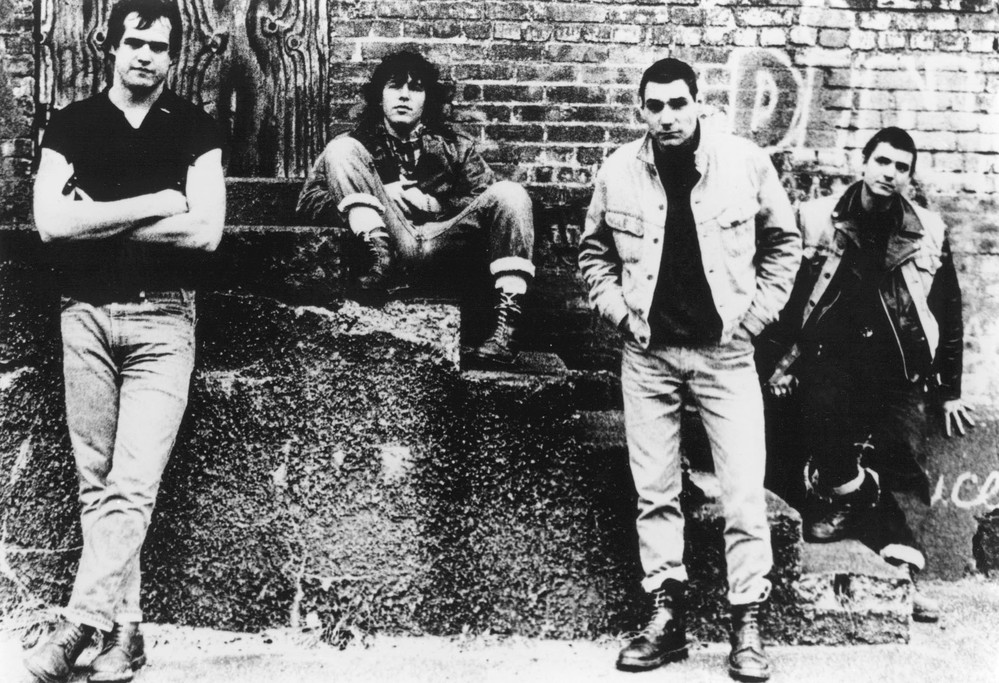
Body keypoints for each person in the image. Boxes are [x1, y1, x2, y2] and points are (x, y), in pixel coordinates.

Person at [578, 58, 800, 680]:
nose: (668, 117)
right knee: (655, 492)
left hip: (726, 355)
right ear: (641, 110)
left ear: (699, 102)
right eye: (655, 106)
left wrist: (755, 319)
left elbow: (784, 243)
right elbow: (593, 254)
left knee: (743, 493)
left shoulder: (745, 163)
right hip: (647, 356)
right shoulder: (618, 172)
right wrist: (620, 314)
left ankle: (746, 622)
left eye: (679, 103)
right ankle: (665, 618)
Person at [23, 0, 225, 681]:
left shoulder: (194, 127)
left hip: (163, 320)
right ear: (111, 47)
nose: (145, 55)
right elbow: (51, 223)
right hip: (84, 314)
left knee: (132, 483)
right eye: (134, 41)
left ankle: (79, 624)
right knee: (97, 483)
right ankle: (126, 632)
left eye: (158, 46)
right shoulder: (72, 122)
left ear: (173, 57)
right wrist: (158, 203)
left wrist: (97, 217)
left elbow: (206, 231)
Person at [765, 127, 973, 622]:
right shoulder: (817, 218)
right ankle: (851, 503)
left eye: (902, 167)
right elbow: (787, 295)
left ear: (909, 177)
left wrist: (949, 390)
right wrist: (778, 363)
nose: (890, 173)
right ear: (863, 163)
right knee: (815, 429)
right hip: (828, 359)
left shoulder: (928, 230)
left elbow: (948, 309)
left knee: (901, 459)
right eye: (883, 161)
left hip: (896, 368)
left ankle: (902, 575)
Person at [297, 50, 535, 365]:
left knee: (512, 193)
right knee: (340, 147)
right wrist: (375, 197)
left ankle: (507, 329)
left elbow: (484, 198)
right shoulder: (355, 145)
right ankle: (379, 257)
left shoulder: (456, 147)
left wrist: (433, 203)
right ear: (379, 96)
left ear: (427, 99)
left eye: (416, 88)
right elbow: (309, 201)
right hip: (390, 239)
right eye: (395, 86)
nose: (404, 95)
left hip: (445, 242)